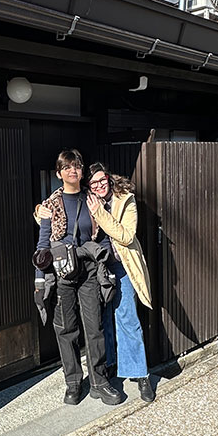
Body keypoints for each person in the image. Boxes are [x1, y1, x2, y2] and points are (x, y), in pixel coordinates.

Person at [35, 149, 124, 406]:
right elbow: (43, 245)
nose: (73, 171)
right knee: (66, 329)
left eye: (77, 167)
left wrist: (102, 258)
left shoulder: (92, 199)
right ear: (59, 173)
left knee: (94, 327)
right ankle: (73, 382)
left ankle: (99, 381)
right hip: (62, 274)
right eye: (68, 168)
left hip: (89, 272)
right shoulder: (50, 205)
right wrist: (39, 279)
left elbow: (104, 235)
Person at [85, 163, 156, 403]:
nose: (99, 185)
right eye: (93, 183)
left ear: (108, 177)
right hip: (97, 268)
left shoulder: (124, 199)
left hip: (121, 265)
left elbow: (126, 235)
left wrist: (100, 214)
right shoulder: (87, 200)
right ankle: (112, 365)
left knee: (128, 317)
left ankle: (140, 373)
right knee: (103, 318)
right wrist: (39, 211)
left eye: (101, 179)